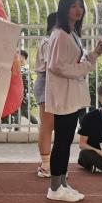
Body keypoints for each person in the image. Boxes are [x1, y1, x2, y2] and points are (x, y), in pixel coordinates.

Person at [44, 0, 102, 202]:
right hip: (63, 96)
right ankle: (55, 188)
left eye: (80, 6)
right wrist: (84, 67)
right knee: (61, 143)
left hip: (70, 95)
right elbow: (57, 66)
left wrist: (96, 53)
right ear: (64, 9)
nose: (78, 10)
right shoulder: (60, 35)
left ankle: (62, 183)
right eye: (73, 6)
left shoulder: (71, 33)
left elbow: (76, 61)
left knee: (65, 142)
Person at [35, 12, 58, 178]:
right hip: (48, 83)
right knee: (47, 126)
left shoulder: (56, 40)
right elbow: (52, 66)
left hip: (58, 84)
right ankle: (46, 164)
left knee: (57, 126)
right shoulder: (48, 41)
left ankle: (53, 163)